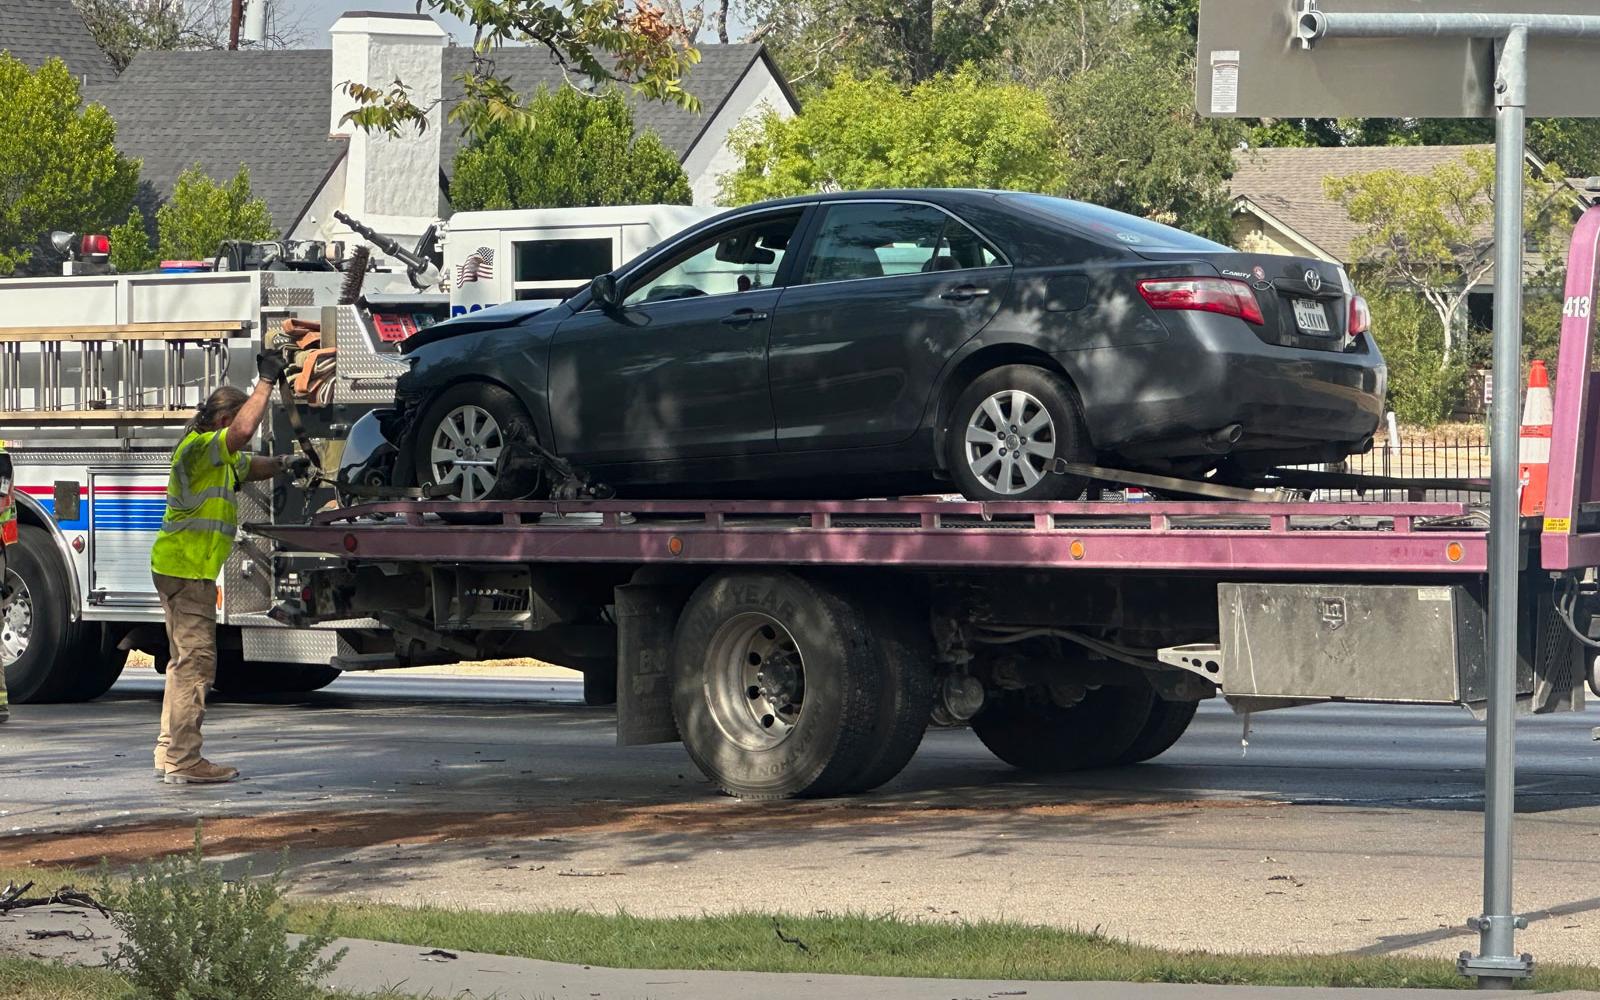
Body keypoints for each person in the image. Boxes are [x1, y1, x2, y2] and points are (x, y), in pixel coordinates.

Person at [150, 353, 307, 784]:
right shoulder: (200, 449)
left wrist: (282, 466)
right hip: (186, 571)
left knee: (182, 662)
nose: (243, 436)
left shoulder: (215, 457)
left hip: (180, 568)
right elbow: (241, 435)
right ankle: (185, 760)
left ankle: (169, 750)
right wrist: (266, 382)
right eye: (235, 422)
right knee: (197, 664)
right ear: (222, 418)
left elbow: (247, 463)